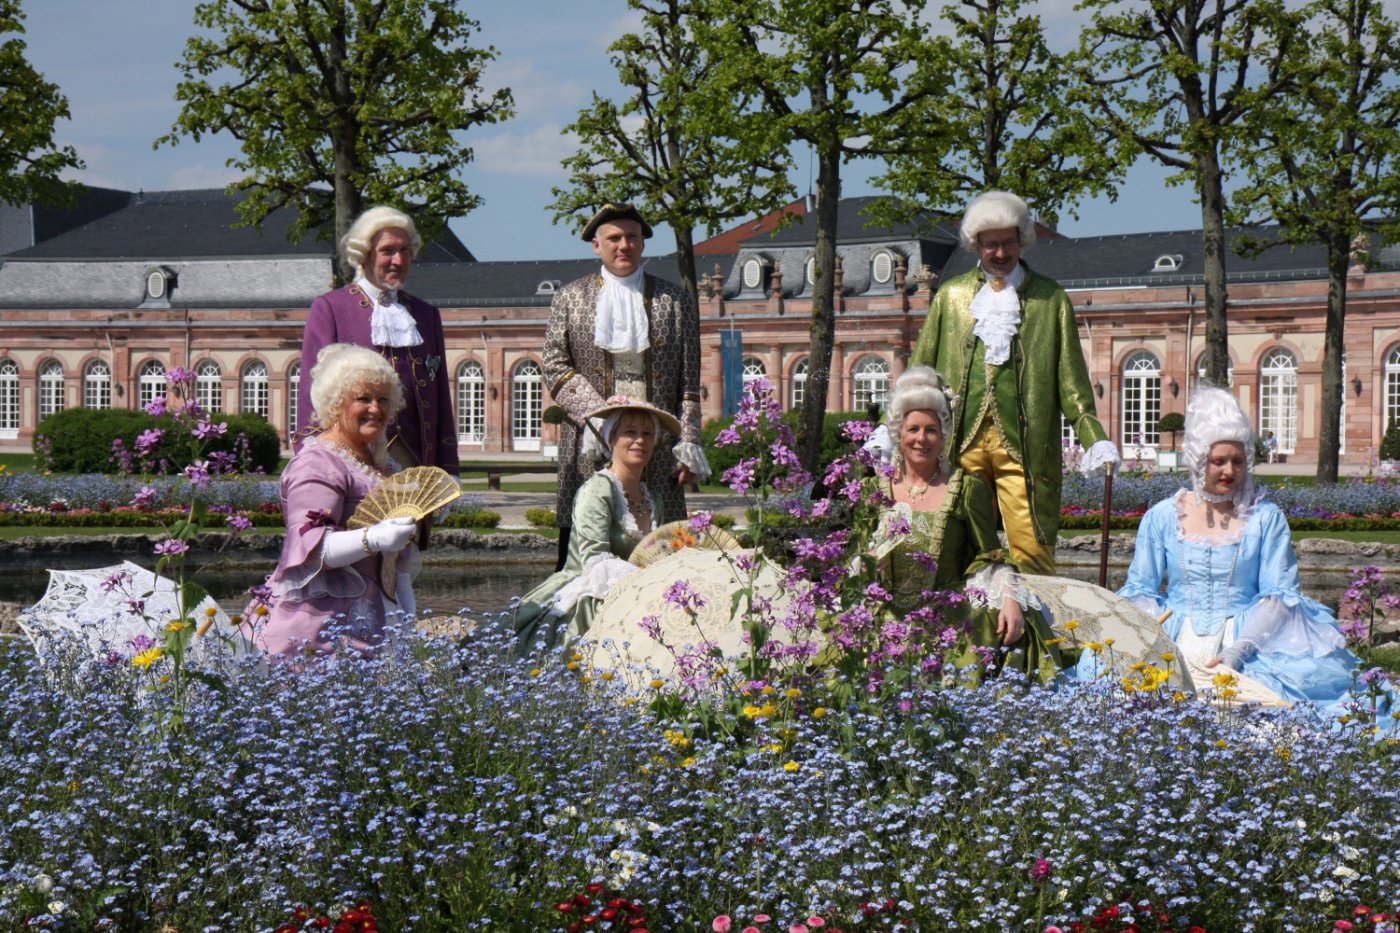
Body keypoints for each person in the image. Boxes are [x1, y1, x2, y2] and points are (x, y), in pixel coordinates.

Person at [1090, 387, 1364, 716]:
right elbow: (1141, 589)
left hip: (1249, 637)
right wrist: (1151, 638)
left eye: (1238, 461)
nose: (1230, 472)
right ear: (1198, 461)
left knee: (1274, 713)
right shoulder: (1162, 516)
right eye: (1218, 462)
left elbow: (1278, 595)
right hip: (1173, 634)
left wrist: (1239, 650)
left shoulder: (1265, 518)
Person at [896, 191, 1118, 575]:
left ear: (1022, 240)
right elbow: (920, 372)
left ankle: (1037, 616)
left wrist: (1094, 437)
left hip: (1026, 450)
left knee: (1032, 554)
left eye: (1008, 242)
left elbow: (1072, 382)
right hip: (959, 446)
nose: (1000, 253)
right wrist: (892, 429)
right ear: (976, 245)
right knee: (953, 549)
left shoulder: (1051, 299)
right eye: (990, 245)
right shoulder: (950, 296)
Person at [866, 366, 1062, 679]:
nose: (921, 439)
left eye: (931, 430)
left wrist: (1010, 599)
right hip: (882, 615)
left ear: (943, 435)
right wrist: (864, 563)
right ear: (898, 434)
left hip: (945, 616)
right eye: (913, 429)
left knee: (992, 620)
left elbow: (989, 556)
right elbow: (848, 556)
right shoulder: (872, 491)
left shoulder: (966, 488)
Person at [543, 203, 709, 571]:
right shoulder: (569, 296)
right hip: (589, 444)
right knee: (584, 555)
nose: (624, 245)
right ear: (596, 245)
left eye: (632, 237)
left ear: (643, 243)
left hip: (658, 447)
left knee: (665, 559)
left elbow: (688, 381)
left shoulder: (676, 299)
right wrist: (602, 418)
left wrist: (689, 444)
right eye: (614, 238)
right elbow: (554, 365)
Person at [253, 343, 420, 657]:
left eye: (383, 399)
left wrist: (406, 621)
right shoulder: (317, 464)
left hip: (375, 625)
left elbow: (396, 567)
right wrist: (375, 537)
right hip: (318, 635)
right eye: (363, 399)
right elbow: (311, 548)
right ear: (335, 403)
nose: (376, 409)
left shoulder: (381, 466)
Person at [512, 397, 679, 657]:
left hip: (639, 596)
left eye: (648, 434)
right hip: (592, 593)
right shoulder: (598, 489)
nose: (640, 440)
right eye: (630, 432)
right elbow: (595, 561)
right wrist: (646, 580)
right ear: (610, 439)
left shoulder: (653, 499)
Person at [297, 206, 458, 474]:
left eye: (405, 250)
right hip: (351, 458)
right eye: (388, 251)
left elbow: (440, 396)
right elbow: (311, 393)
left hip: (418, 460)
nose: (399, 260)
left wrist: (450, 469)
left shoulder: (426, 315)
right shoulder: (331, 308)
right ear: (364, 255)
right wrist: (313, 461)